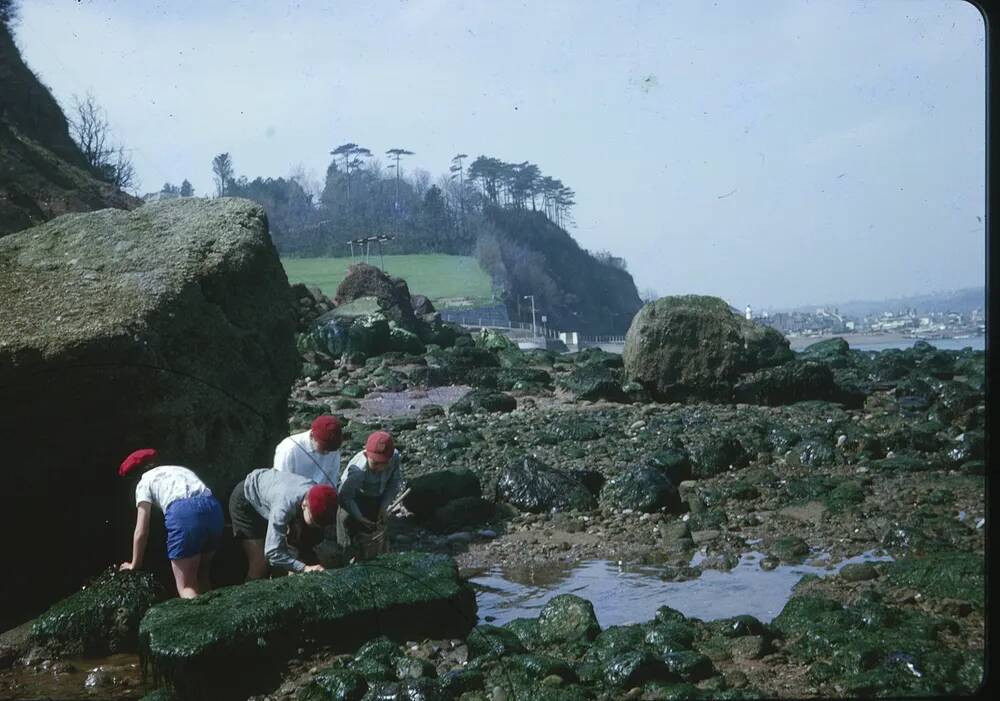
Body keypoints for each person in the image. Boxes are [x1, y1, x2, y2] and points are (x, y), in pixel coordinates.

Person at [118, 448, 224, 599]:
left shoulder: (144, 482)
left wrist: (135, 564)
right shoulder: (178, 469)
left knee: (187, 586)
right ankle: (216, 613)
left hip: (185, 514)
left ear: (134, 476)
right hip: (212, 508)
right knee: (202, 575)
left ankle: (202, 621)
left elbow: (141, 530)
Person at [229, 467, 338, 579]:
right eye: (315, 522)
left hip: (271, 495)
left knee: (297, 549)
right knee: (260, 564)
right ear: (304, 505)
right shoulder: (283, 508)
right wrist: (304, 568)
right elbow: (272, 552)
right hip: (247, 501)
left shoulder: (317, 492)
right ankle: (249, 593)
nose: (317, 526)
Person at [337, 431, 402, 561]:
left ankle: (377, 552)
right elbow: (345, 496)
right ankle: (345, 552)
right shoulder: (358, 471)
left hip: (376, 496)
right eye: (376, 463)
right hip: (354, 498)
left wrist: (383, 507)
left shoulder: (395, 457)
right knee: (344, 518)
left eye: (384, 463)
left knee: (377, 527)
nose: (381, 468)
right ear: (367, 455)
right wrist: (359, 517)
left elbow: (393, 483)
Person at [273, 415, 342, 486]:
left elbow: (332, 481)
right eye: (323, 447)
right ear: (312, 435)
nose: (327, 453)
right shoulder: (288, 449)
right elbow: (281, 485)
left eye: (331, 449)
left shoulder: (333, 449)